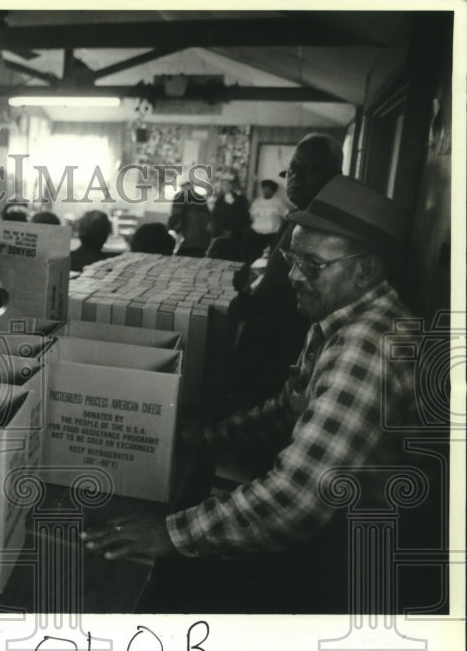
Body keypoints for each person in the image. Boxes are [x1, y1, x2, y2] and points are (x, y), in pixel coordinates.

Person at [83, 176, 423, 614]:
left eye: (314, 265)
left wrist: (172, 534)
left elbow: (298, 497)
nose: (295, 276)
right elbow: (288, 408)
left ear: (366, 269)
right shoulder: (340, 318)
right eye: (293, 258)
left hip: (354, 570)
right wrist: (207, 435)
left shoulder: (366, 347)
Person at [228, 133, 344, 410]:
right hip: (266, 332)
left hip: (285, 345)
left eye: (309, 170)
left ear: (334, 176)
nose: (296, 178)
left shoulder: (328, 225)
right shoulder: (298, 215)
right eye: (292, 170)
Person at [245, 178, 290, 263]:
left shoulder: (278, 202)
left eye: (269, 189)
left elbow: (286, 216)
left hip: (271, 235)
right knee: (254, 256)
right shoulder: (256, 202)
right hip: (256, 234)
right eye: (264, 188)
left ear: (273, 190)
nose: (266, 191)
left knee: (269, 257)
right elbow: (251, 216)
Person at [167, 180, 211, 257]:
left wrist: (169, 227)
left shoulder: (180, 196)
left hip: (186, 240)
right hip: (202, 241)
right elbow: (208, 219)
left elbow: (176, 215)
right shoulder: (201, 198)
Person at [209, 172, 250, 247]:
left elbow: (244, 217)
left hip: (237, 234)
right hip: (220, 234)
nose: (226, 187)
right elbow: (215, 217)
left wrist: (233, 231)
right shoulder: (219, 200)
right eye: (224, 184)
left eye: (228, 184)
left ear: (233, 185)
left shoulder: (241, 200)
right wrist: (222, 230)